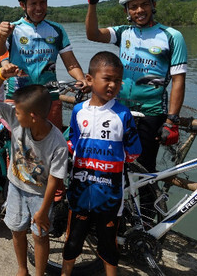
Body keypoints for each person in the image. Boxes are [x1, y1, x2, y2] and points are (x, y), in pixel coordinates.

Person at [84, 0, 187, 172]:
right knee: (114, 163)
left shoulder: (172, 36)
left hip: (152, 113)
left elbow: (178, 80)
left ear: (153, 5)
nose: (139, 10)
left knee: (145, 169)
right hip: (119, 109)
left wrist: (172, 121)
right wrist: (92, 3)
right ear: (127, 11)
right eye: (133, 6)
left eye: (144, 4)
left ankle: (148, 203)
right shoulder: (124, 33)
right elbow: (92, 34)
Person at [0, 62, 69, 276]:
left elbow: (54, 179)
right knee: (17, 230)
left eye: (19, 112)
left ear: (33, 117)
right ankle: (22, 269)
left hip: (41, 195)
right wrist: (1, 75)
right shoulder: (17, 118)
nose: (14, 114)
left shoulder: (57, 143)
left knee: (40, 235)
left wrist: (43, 211)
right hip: (16, 187)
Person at [61, 51, 142, 276]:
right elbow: (72, 141)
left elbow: (134, 151)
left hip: (110, 195)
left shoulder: (123, 114)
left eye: (117, 80)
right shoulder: (78, 111)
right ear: (89, 79)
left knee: (108, 246)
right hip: (79, 192)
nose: (113, 85)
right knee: (73, 241)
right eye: (107, 78)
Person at [0, 0, 88, 128]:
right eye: (33, 4)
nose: (39, 8)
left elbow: (71, 64)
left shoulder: (57, 30)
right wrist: (2, 37)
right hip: (18, 97)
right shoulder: (13, 29)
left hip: (49, 96)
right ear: (22, 5)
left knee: (53, 142)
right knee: (19, 146)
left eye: (43, 2)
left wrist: (81, 78)